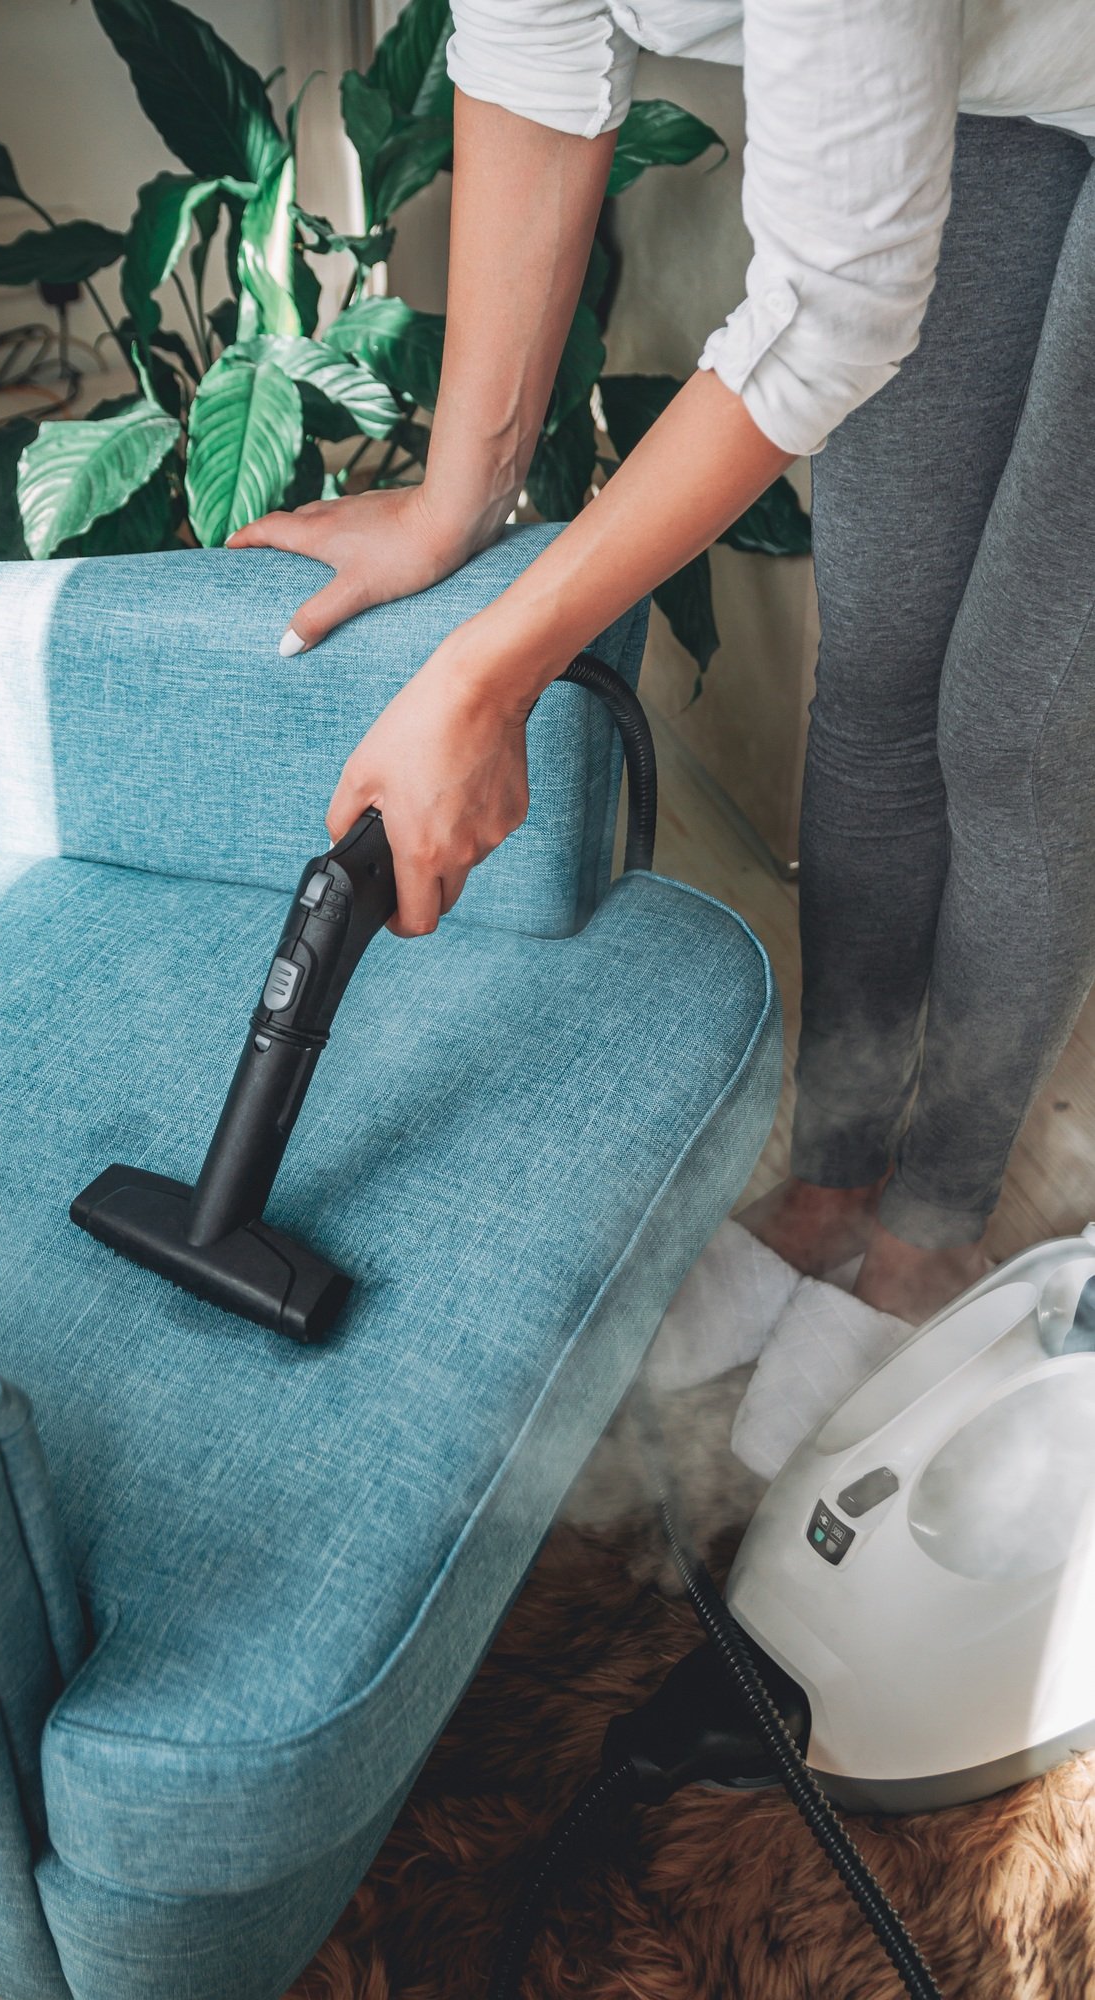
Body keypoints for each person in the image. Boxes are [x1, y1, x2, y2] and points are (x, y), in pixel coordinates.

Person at [227, 0, 1095, 1324]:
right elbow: (532, 65)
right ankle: (834, 1175)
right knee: (872, 680)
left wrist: (490, 675)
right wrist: (454, 497)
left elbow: (834, 308)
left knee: (1011, 734)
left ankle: (935, 1225)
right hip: (999, 61)